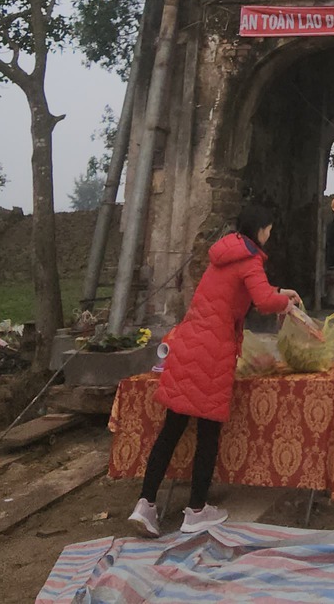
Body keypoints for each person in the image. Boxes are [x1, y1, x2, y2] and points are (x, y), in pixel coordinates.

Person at [129, 206, 302, 537]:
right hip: (214, 352)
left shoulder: (225, 253)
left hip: (188, 343)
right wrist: (285, 304)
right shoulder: (251, 260)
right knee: (208, 433)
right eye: (269, 228)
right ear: (261, 230)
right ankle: (196, 510)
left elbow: (243, 292)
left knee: (171, 430)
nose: (270, 234)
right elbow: (263, 301)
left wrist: (280, 293)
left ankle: (145, 505)